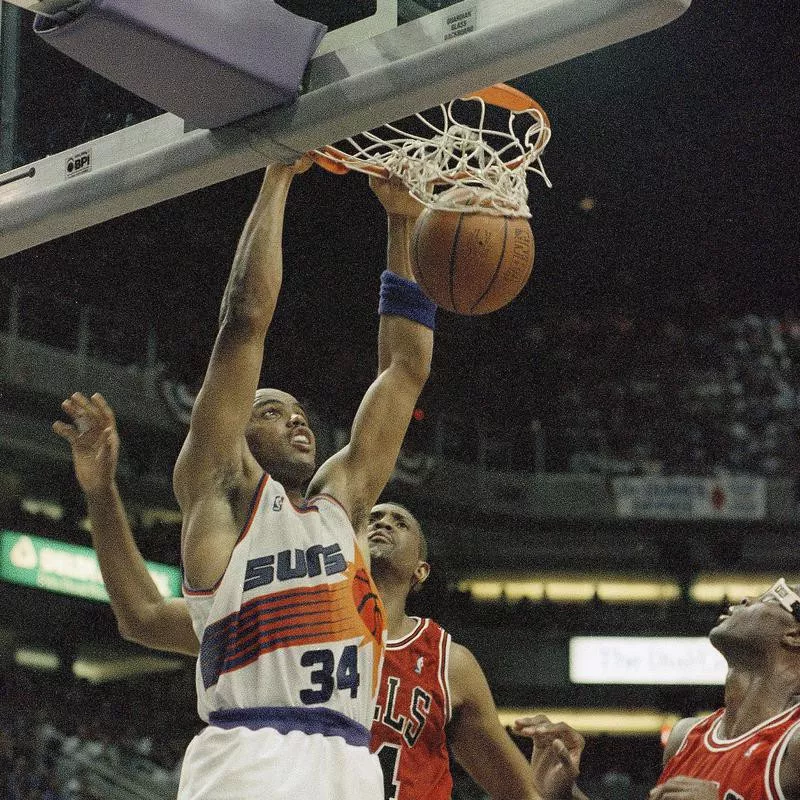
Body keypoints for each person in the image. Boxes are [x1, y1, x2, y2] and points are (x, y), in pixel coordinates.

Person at [56, 160, 435, 800]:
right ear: (239, 430)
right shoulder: (224, 492)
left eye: (301, 414)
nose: (295, 421)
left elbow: (405, 368)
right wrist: (279, 172)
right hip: (251, 755)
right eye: (270, 410)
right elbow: (244, 323)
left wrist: (403, 224)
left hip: (348, 759)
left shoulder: (342, 504)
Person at [56, 392, 580, 800]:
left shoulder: (448, 662)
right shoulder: (278, 610)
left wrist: (552, 785)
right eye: (373, 514)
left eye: (399, 520)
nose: (380, 521)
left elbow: (523, 794)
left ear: (422, 570)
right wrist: (101, 493)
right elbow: (143, 616)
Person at [518, 579, 800, 800]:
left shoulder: (794, 742)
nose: (745, 599)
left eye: (769, 598)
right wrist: (565, 795)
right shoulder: (686, 736)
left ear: (795, 635)